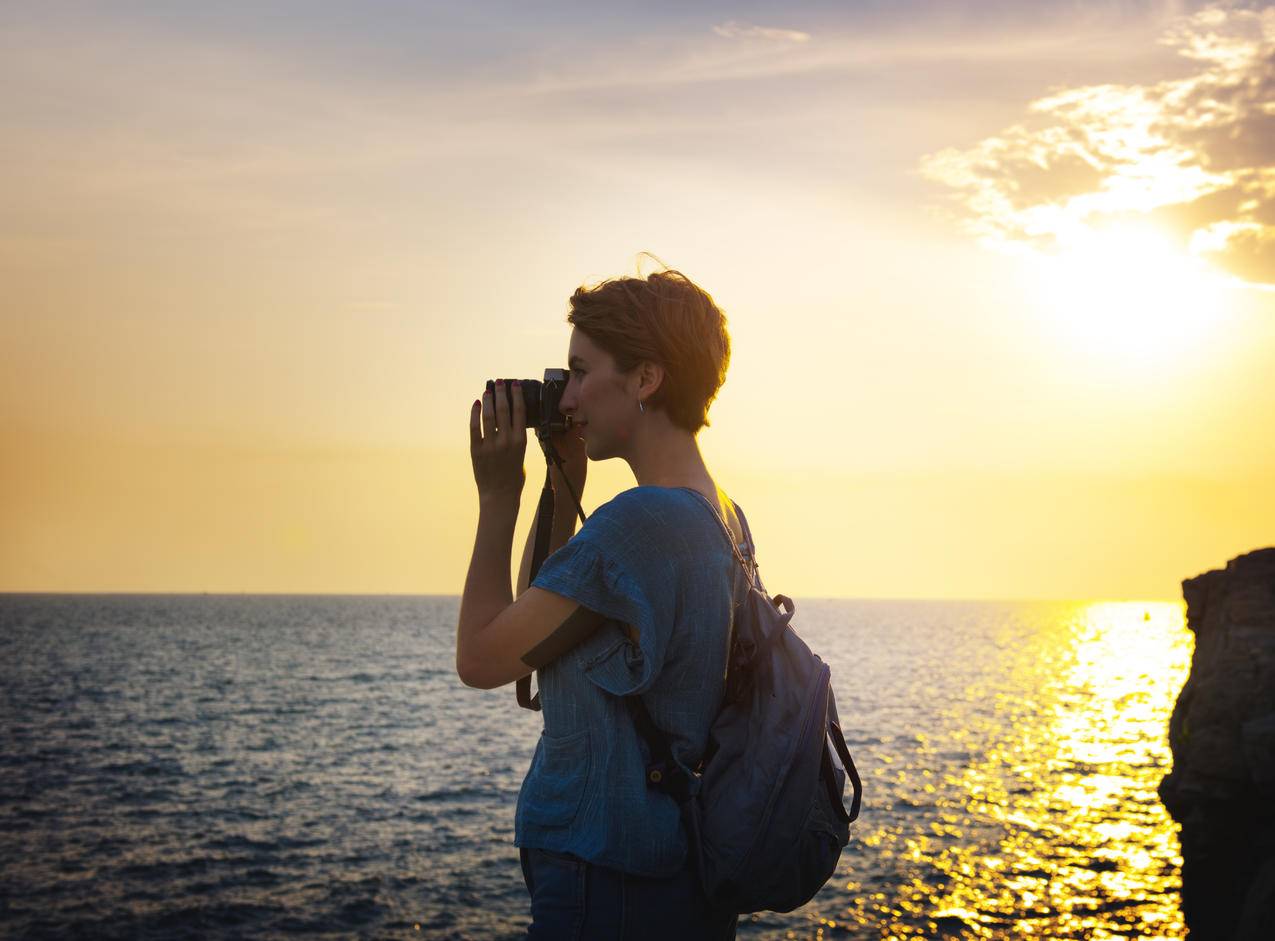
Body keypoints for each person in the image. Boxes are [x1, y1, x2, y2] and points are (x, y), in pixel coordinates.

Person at [457, 266, 748, 939]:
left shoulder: (638, 525)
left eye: (581, 372)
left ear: (645, 379)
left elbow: (481, 658)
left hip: (604, 883)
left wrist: (498, 496)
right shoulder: (720, 515)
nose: (567, 398)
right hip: (676, 879)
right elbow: (544, 620)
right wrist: (563, 480)